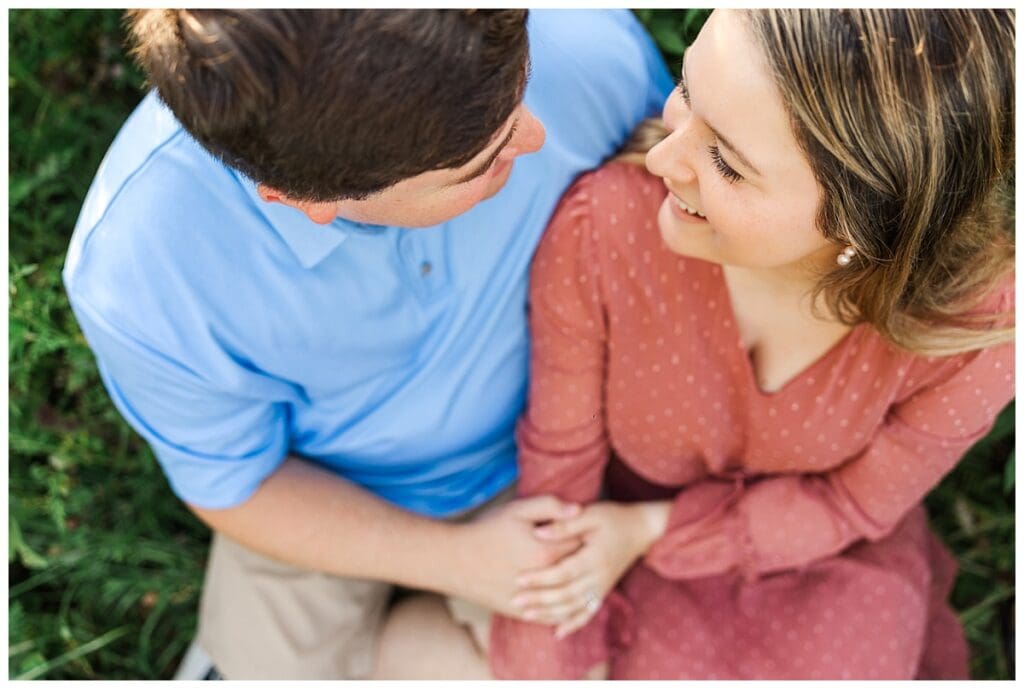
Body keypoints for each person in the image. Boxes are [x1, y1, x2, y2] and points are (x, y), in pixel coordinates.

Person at [62, 9, 672, 680]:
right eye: (484, 161)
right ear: (304, 199)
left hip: (551, 449)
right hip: (326, 494)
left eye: (523, 88)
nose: (536, 134)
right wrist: (458, 561)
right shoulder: (141, 270)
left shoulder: (585, 43)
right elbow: (238, 483)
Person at [487, 8, 1015, 679]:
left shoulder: (976, 332)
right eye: (687, 89)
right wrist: (552, 632)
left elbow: (852, 504)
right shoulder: (606, 229)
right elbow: (561, 472)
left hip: (818, 560)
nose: (662, 159)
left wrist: (652, 530)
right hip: (604, 546)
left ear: (866, 222)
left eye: (728, 164)